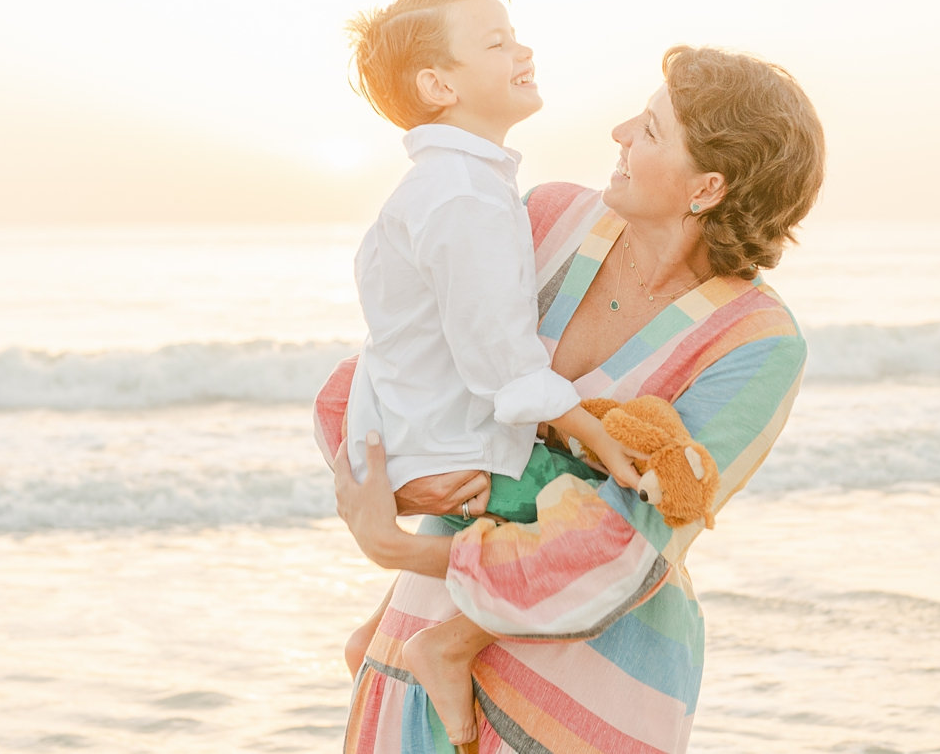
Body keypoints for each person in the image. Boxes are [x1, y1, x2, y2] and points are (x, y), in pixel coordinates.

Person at [318, 44, 826, 753]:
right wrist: (394, 480)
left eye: (650, 130)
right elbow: (402, 368)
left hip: (581, 701)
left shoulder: (757, 344)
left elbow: (625, 546)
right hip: (414, 661)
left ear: (707, 187)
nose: (619, 133)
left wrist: (400, 550)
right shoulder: (546, 219)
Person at [337, 0, 642, 746]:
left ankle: (382, 629)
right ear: (438, 84)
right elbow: (499, 359)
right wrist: (591, 432)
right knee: (606, 530)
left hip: (431, 437)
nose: (523, 50)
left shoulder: (455, 184)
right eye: (496, 42)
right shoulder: (461, 196)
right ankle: (442, 644)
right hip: (460, 451)